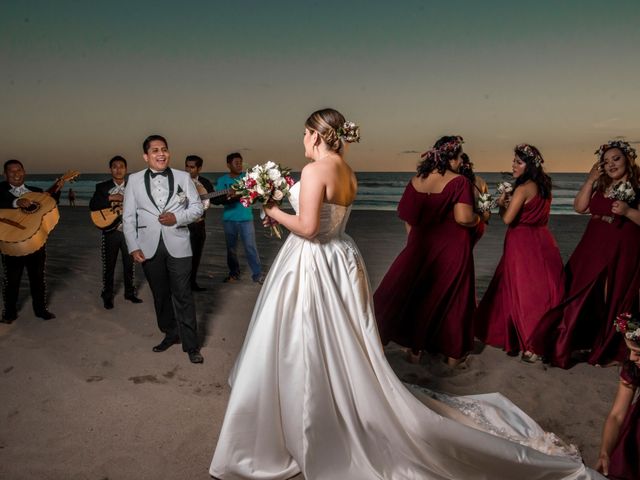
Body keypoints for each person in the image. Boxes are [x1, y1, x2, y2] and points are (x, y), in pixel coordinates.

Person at [209, 109, 602, 480]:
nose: (303, 140)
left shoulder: (315, 170)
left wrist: (270, 206)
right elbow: (330, 223)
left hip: (313, 261)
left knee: (305, 333)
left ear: (315, 134)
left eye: (305, 134)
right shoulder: (347, 170)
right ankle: (327, 390)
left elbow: (310, 228)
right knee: (337, 335)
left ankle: (304, 407)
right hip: (342, 259)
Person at [373, 136, 487, 367]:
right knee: (455, 299)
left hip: (419, 248)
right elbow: (463, 218)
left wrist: (416, 242)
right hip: (453, 249)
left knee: (417, 296)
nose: (458, 163)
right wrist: (481, 216)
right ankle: (453, 356)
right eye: (457, 158)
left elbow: (408, 219)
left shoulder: (417, 180)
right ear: (451, 158)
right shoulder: (459, 182)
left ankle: (414, 350)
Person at [530, 140, 640, 368]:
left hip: (623, 245)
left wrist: (628, 211)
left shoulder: (638, 186)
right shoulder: (601, 185)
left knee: (616, 295)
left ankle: (608, 350)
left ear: (628, 159)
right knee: (575, 288)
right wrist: (590, 179)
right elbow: (579, 207)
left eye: (616, 159)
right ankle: (565, 341)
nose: (610, 165)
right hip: (592, 244)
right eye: (606, 161)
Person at [474, 144, 564, 362]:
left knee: (524, 292)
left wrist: (503, 202)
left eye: (518, 162)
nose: (513, 165)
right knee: (543, 289)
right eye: (514, 161)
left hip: (522, 242)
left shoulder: (523, 189)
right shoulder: (545, 186)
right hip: (543, 239)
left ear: (530, 165)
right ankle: (544, 338)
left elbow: (507, 219)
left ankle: (531, 345)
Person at [122, 135, 204, 364]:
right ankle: (170, 332)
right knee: (159, 295)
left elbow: (197, 208)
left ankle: (191, 345)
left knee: (183, 295)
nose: (161, 153)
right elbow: (128, 217)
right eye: (155, 150)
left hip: (178, 244)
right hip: (148, 247)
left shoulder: (183, 177)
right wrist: (133, 246)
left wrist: (177, 217)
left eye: (164, 149)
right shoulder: (134, 180)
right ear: (146, 156)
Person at [0, 159, 63, 322]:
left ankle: (41, 310)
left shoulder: (36, 191)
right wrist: (16, 202)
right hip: (12, 240)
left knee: (37, 277)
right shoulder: (0, 189)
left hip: (35, 240)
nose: (16, 174)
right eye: (11, 171)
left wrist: (57, 191)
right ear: (5, 174)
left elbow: (49, 207)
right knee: (12, 279)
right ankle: (9, 313)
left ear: (24, 172)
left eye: (19, 170)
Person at [89, 155, 142, 309]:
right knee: (109, 266)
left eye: (121, 166)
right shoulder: (102, 187)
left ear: (126, 169)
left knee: (129, 264)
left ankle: (129, 293)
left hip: (129, 233)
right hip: (111, 231)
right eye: (115, 166)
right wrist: (111, 196)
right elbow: (93, 205)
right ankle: (107, 295)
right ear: (110, 169)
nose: (118, 169)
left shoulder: (134, 186)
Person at [596, 313, 640, 480]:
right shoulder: (634, 366)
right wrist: (605, 451)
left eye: (638, 352)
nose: (631, 357)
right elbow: (617, 415)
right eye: (630, 350)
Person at [215, 153, 262, 284]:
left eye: (240, 162)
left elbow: (254, 195)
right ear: (228, 164)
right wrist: (229, 197)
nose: (239, 165)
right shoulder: (222, 180)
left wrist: (236, 195)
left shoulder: (247, 179)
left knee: (250, 247)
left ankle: (257, 275)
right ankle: (234, 273)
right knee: (231, 249)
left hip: (246, 218)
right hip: (229, 219)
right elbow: (218, 199)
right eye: (236, 163)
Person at [185, 155, 214, 292]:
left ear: (199, 168)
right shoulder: (181, 181)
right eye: (187, 166)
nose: (188, 170)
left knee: (196, 256)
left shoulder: (205, 182)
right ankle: (181, 285)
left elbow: (216, 198)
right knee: (183, 257)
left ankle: (192, 283)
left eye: (192, 167)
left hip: (199, 225)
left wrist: (230, 195)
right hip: (183, 226)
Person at [459, 152, 489, 245]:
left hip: (461, 226)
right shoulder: (481, 182)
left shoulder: (454, 182)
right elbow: (486, 213)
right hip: (477, 226)